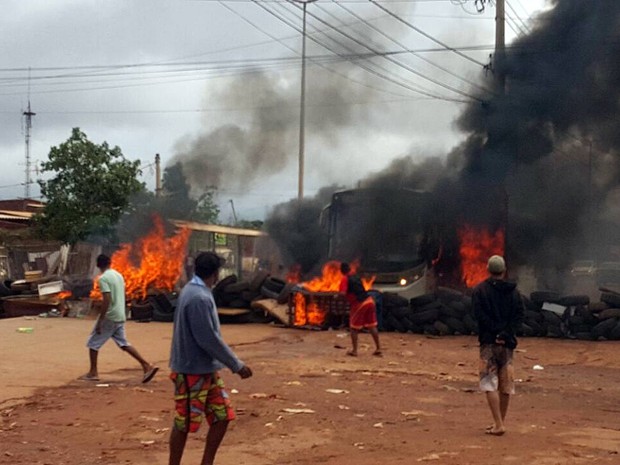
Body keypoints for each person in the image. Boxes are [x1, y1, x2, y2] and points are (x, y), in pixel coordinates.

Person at [168, 251, 253, 465]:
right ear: (215, 273)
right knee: (184, 422)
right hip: (190, 371)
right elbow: (208, 339)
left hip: (205, 369)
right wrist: (236, 365)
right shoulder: (198, 297)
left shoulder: (196, 292)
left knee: (222, 416)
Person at [80, 254, 159, 383]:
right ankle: (146, 365)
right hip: (121, 314)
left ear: (98, 265)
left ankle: (93, 372)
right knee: (123, 343)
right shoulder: (118, 275)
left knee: (93, 344)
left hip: (110, 316)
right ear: (110, 263)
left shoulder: (103, 278)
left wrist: (101, 319)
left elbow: (107, 299)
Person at [472, 255, 524, 436]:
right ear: (504, 270)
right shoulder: (514, 292)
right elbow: (518, 317)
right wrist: (505, 334)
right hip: (507, 344)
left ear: (488, 269)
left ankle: (498, 424)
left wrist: (495, 334)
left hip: (488, 343)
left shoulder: (480, 291)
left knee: (489, 383)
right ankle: (499, 422)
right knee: (505, 385)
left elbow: (479, 316)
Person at [339, 262, 382, 357]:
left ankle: (354, 351)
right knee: (372, 326)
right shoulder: (356, 277)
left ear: (342, 271)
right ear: (349, 269)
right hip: (369, 301)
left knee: (353, 328)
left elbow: (342, 293)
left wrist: (338, 297)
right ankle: (378, 348)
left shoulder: (345, 279)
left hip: (359, 304)